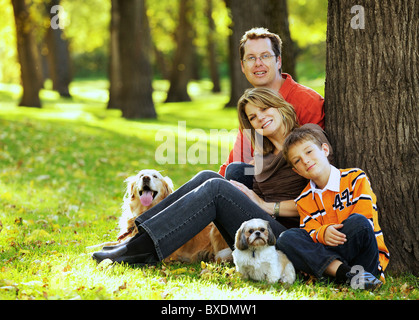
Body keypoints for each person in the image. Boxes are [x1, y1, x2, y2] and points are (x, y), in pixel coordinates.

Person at [92, 88, 331, 265]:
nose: (260, 118)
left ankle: (139, 249)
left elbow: (324, 198)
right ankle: (136, 238)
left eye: (265, 109)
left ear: (279, 106)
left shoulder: (307, 139)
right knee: (208, 176)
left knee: (216, 187)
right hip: (253, 230)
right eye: (253, 117)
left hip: (287, 236)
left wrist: (265, 206)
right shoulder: (263, 154)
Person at [277, 126, 390, 290]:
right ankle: (346, 275)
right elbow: (311, 231)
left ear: (325, 149)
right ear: (297, 171)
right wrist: (323, 233)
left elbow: (366, 222)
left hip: (363, 260)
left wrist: (328, 231)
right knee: (286, 238)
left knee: (359, 222)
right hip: (330, 258)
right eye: (297, 160)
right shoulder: (303, 200)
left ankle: (350, 274)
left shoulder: (355, 178)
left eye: (309, 152)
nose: (305, 160)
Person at [219, 27, 325, 181]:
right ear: (242, 66)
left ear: (278, 61)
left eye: (265, 56)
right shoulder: (252, 108)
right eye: (250, 58)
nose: (258, 63)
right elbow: (234, 162)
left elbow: (320, 165)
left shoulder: (307, 101)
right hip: (254, 186)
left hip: (286, 192)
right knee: (211, 178)